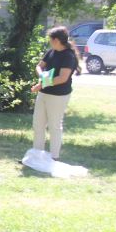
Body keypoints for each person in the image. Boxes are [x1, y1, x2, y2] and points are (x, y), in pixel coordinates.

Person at [29, 26, 81, 160]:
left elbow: (62, 78)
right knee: (38, 124)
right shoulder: (51, 52)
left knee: (54, 126)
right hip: (44, 92)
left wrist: (41, 84)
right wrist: (41, 75)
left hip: (58, 95)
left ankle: (54, 157)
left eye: (51, 40)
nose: (50, 42)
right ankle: (37, 155)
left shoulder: (68, 56)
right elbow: (39, 66)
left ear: (57, 40)